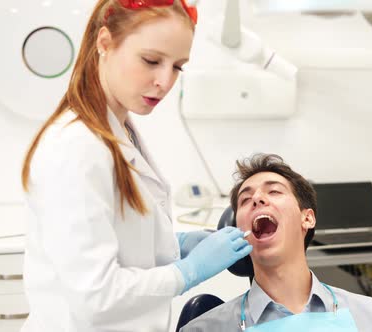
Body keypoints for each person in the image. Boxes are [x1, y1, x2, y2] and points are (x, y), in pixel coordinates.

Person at [19, 1, 252, 331]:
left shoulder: (118, 131)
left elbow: (117, 232)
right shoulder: (76, 149)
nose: (165, 81)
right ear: (104, 43)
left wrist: (174, 244)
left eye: (177, 67)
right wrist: (189, 271)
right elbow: (95, 297)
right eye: (152, 61)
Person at [180, 154, 372, 331]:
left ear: (307, 218)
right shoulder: (205, 329)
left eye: (274, 191)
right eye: (246, 200)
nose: (257, 198)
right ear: (239, 230)